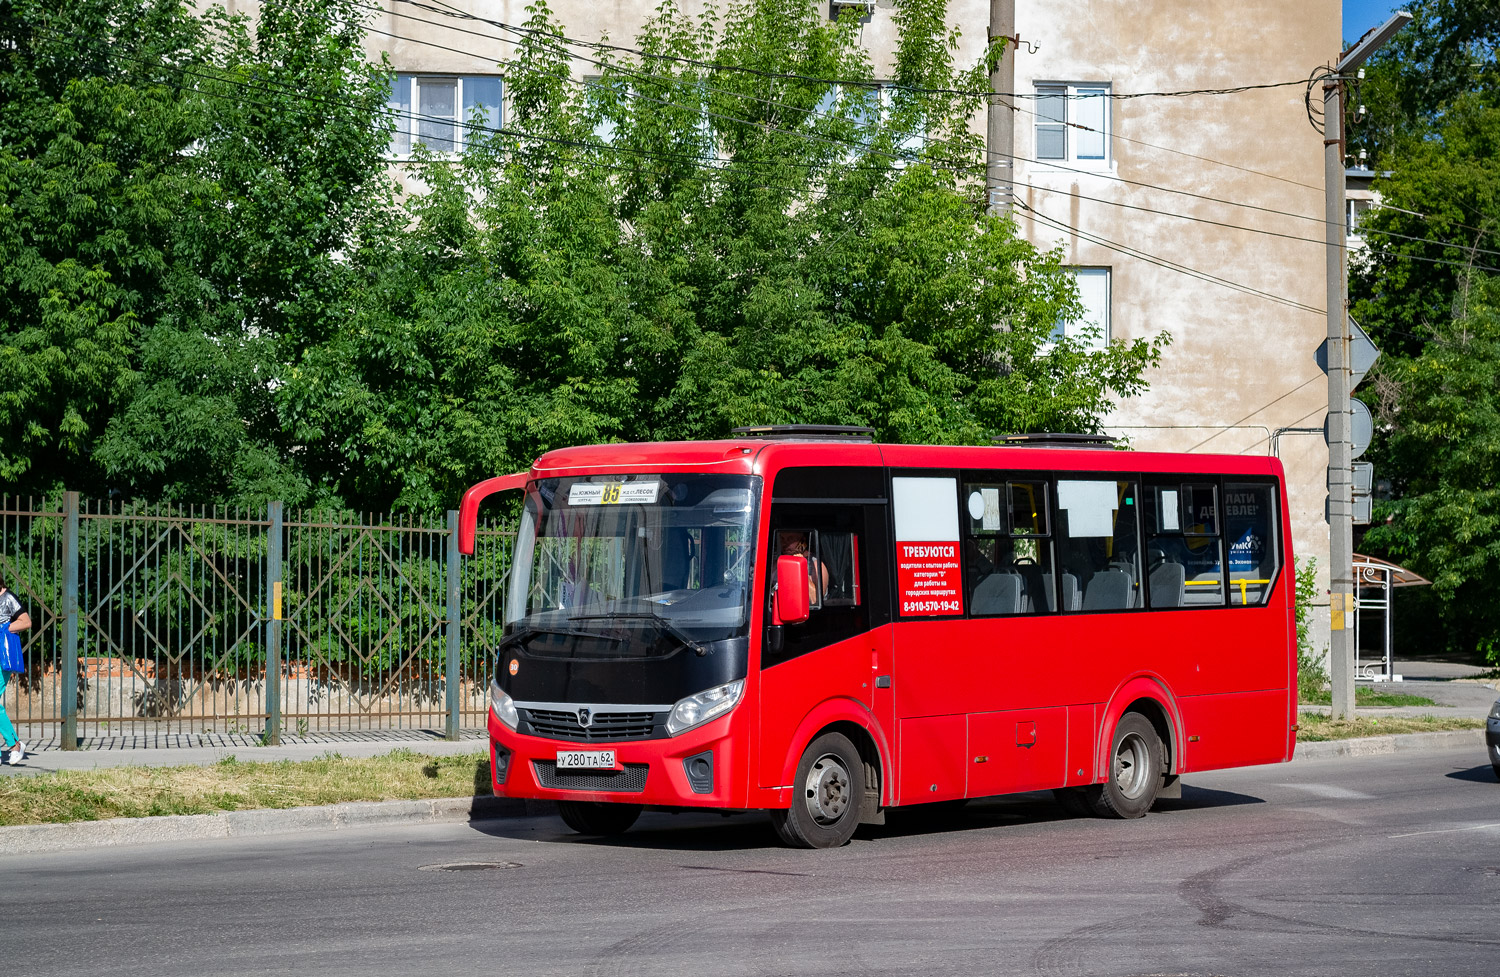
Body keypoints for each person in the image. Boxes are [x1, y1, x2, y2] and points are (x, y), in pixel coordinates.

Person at [0, 576, 30, 766]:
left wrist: (4, 628)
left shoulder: (8, 597)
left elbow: (26, 621)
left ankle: (15, 745)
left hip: (2, 656)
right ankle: (15, 744)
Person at [777, 531, 829, 605]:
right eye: (782, 539)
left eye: (790, 539)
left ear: (802, 541)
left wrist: (801, 570)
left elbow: (815, 600)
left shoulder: (815, 565)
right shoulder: (776, 565)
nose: (785, 543)